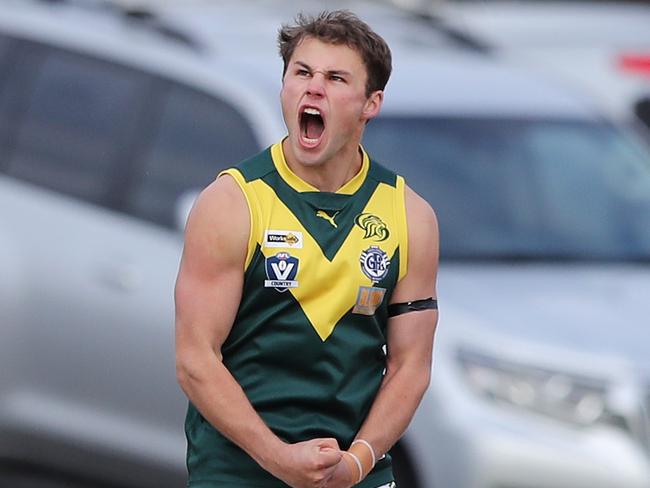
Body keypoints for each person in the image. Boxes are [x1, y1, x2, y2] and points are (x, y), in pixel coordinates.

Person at [175, 10, 439, 488]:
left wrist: (356, 464)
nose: (313, 88)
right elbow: (196, 359)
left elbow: (410, 366)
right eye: (302, 73)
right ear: (284, 88)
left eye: (336, 78)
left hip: (354, 473)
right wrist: (278, 458)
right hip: (240, 471)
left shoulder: (410, 215)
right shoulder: (233, 201)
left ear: (370, 103)